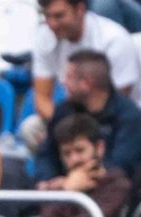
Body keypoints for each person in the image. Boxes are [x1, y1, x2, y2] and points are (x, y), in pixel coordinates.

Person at [0, 112, 130, 217]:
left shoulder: (117, 185)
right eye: (67, 153)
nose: (74, 159)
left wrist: (68, 192)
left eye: (80, 150)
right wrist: (67, 189)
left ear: (100, 148)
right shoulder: (66, 183)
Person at [31, 0, 140, 126]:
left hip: (121, 119)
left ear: (80, 9)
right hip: (74, 118)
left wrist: (83, 133)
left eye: (59, 16)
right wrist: (66, 128)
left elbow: (117, 103)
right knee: (32, 128)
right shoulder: (45, 36)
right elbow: (42, 98)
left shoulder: (113, 40)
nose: (52, 24)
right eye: (47, 16)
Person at [36, 48, 141, 178]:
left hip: (111, 190)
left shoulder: (129, 117)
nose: (63, 82)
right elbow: (46, 154)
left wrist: (80, 179)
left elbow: (122, 165)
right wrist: (49, 182)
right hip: (63, 188)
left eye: (69, 77)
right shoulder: (64, 110)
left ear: (86, 83)